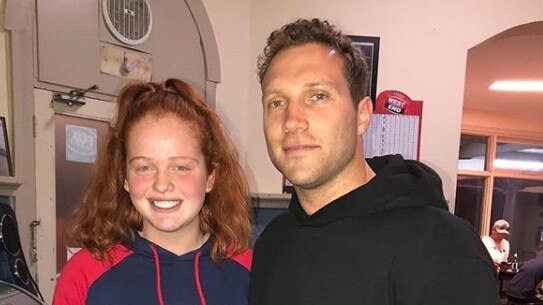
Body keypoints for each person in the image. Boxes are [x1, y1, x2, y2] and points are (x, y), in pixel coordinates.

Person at [249, 18, 499, 305]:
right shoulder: (273, 243)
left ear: (363, 115)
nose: (292, 121)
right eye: (276, 102)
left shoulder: (441, 247)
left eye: (317, 96)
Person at [52, 79, 253, 305]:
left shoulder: (250, 271)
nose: (161, 184)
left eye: (180, 167)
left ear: (210, 177)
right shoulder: (84, 274)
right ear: (125, 178)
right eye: (144, 168)